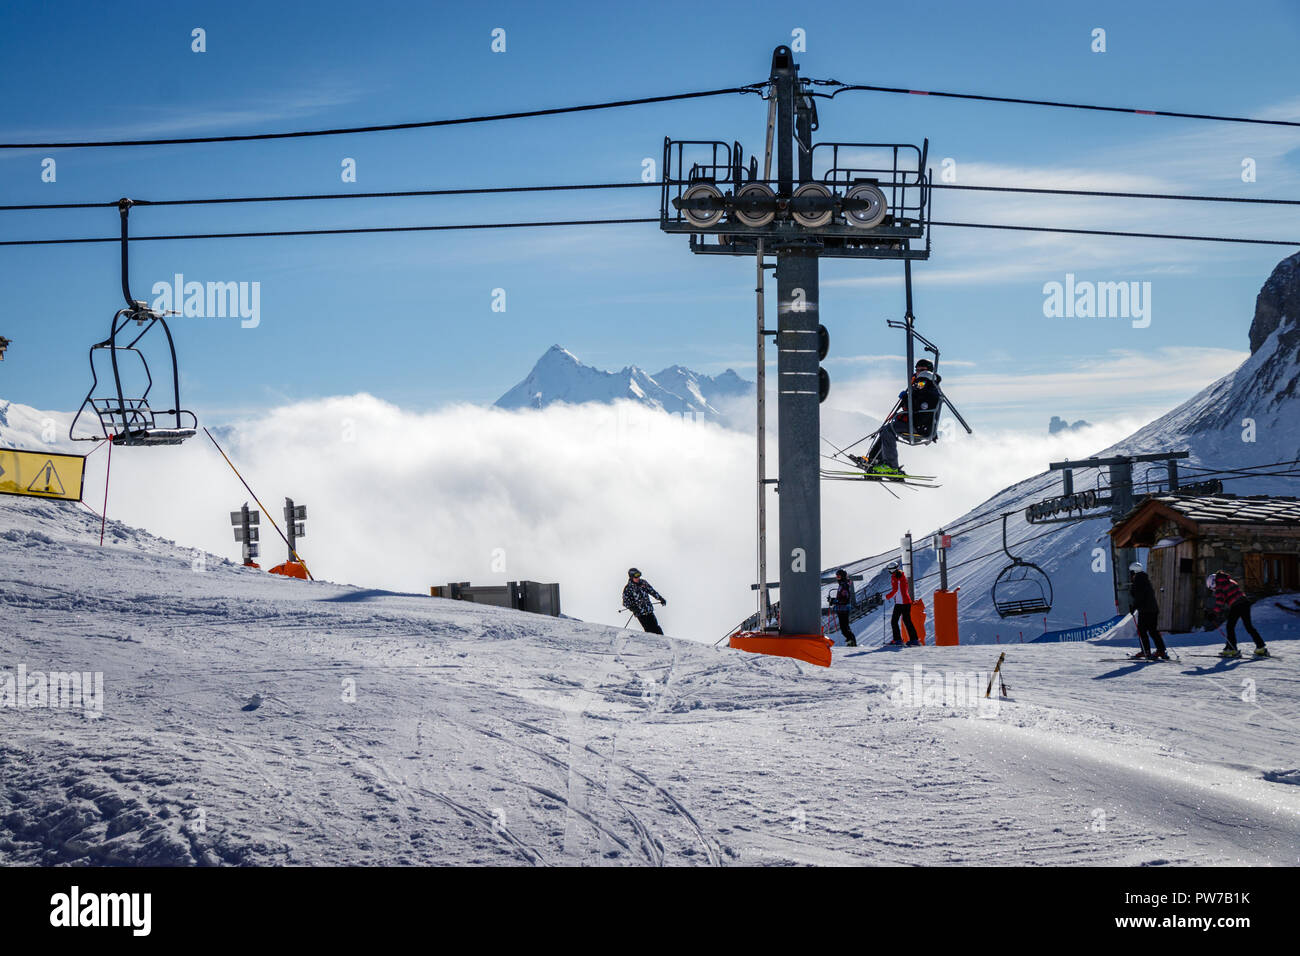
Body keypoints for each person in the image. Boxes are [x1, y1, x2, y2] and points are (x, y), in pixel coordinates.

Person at [852, 359, 942, 478]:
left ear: (929, 373)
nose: (918, 373)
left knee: (888, 430)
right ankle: (874, 462)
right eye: (917, 370)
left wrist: (907, 398)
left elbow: (918, 408)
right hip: (917, 424)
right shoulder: (924, 387)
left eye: (922, 371)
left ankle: (891, 467)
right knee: (886, 430)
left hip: (920, 427)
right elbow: (913, 407)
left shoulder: (929, 389)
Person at [1209, 570, 1268, 658]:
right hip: (1245, 603)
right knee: (1248, 626)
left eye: (1212, 588)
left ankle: (1232, 648)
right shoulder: (1228, 580)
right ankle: (1261, 647)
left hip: (1236, 605)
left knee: (1230, 626)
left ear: (1213, 582)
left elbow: (1220, 601)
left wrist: (1214, 613)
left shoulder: (1219, 586)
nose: (1214, 589)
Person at [1127, 561, 1169, 660]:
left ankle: (1145, 651)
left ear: (1134, 572)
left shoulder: (1138, 581)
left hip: (1145, 610)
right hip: (1153, 609)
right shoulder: (1144, 579)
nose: (1130, 575)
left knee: (1142, 630)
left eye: (1131, 572)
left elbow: (1139, 597)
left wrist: (1133, 607)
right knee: (1153, 631)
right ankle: (1161, 651)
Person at [884, 561, 920, 646]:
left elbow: (895, 590)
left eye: (890, 570)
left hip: (901, 603)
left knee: (894, 621)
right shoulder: (901, 575)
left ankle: (898, 640)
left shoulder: (895, 577)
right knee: (907, 621)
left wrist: (886, 597)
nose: (889, 571)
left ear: (893, 570)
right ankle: (914, 640)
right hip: (905, 602)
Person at [622, 567, 667, 634]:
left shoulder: (643, 583)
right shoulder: (628, 588)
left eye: (639, 576)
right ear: (631, 577)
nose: (638, 578)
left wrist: (660, 598)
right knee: (649, 629)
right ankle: (651, 643)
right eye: (636, 577)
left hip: (648, 610)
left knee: (656, 628)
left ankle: (662, 641)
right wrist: (633, 608)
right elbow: (625, 602)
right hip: (640, 613)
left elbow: (652, 591)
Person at [832, 568, 857, 647]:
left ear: (842, 576)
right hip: (841, 608)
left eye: (838, 576)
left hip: (844, 609)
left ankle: (852, 641)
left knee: (844, 628)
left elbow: (845, 598)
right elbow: (841, 597)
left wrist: (836, 601)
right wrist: (834, 600)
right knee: (844, 627)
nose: (837, 578)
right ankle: (850, 641)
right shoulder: (842, 584)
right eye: (837, 576)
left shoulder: (844, 585)